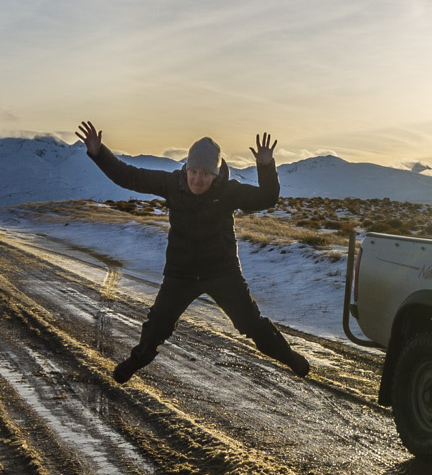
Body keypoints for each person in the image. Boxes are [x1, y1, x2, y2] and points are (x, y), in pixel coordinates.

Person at [75, 120, 311, 383]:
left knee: (252, 325)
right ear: (187, 168)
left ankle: (291, 359)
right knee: (156, 326)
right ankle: (136, 361)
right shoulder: (171, 184)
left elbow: (267, 198)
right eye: (194, 171)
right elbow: (128, 175)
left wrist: (266, 166)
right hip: (181, 273)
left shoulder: (229, 192)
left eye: (206, 174)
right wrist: (99, 153)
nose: (198, 179)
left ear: (216, 174)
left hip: (222, 272)